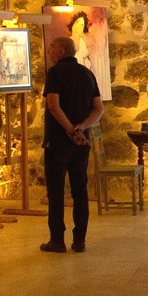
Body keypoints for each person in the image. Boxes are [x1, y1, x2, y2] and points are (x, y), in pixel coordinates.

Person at [40, 33, 102, 253]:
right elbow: (98, 109)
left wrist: (70, 130)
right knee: (80, 192)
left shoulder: (55, 72)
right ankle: (79, 240)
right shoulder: (87, 73)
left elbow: (53, 105)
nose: (49, 52)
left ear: (60, 51)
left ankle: (57, 240)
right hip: (80, 143)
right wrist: (80, 128)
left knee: (56, 193)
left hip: (58, 142)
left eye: (51, 49)